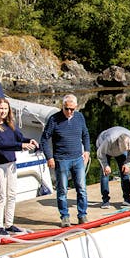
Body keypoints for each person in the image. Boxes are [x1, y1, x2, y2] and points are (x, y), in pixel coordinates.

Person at [0, 98, 38, 235]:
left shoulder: (10, 125)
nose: (3, 111)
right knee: (1, 194)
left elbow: (19, 138)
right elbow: (0, 144)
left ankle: (9, 223)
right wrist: (21, 146)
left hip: (10, 163)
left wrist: (28, 141)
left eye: (5, 109)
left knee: (12, 194)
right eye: (1, 108)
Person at [40, 94, 91, 227]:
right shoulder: (54, 119)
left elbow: (85, 134)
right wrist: (49, 157)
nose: (69, 112)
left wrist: (87, 150)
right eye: (67, 108)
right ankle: (65, 216)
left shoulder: (79, 117)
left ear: (76, 108)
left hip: (77, 158)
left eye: (72, 109)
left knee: (81, 188)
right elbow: (45, 139)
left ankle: (82, 214)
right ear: (62, 106)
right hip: (61, 159)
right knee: (62, 190)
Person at [96, 126, 130, 209]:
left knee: (125, 172)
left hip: (118, 149)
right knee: (105, 174)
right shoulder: (110, 139)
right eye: (124, 149)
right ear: (119, 144)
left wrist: (127, 164)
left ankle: (127, 199)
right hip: (104, 148)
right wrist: (105, 165)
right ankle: (105, 200)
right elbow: (100, 153)